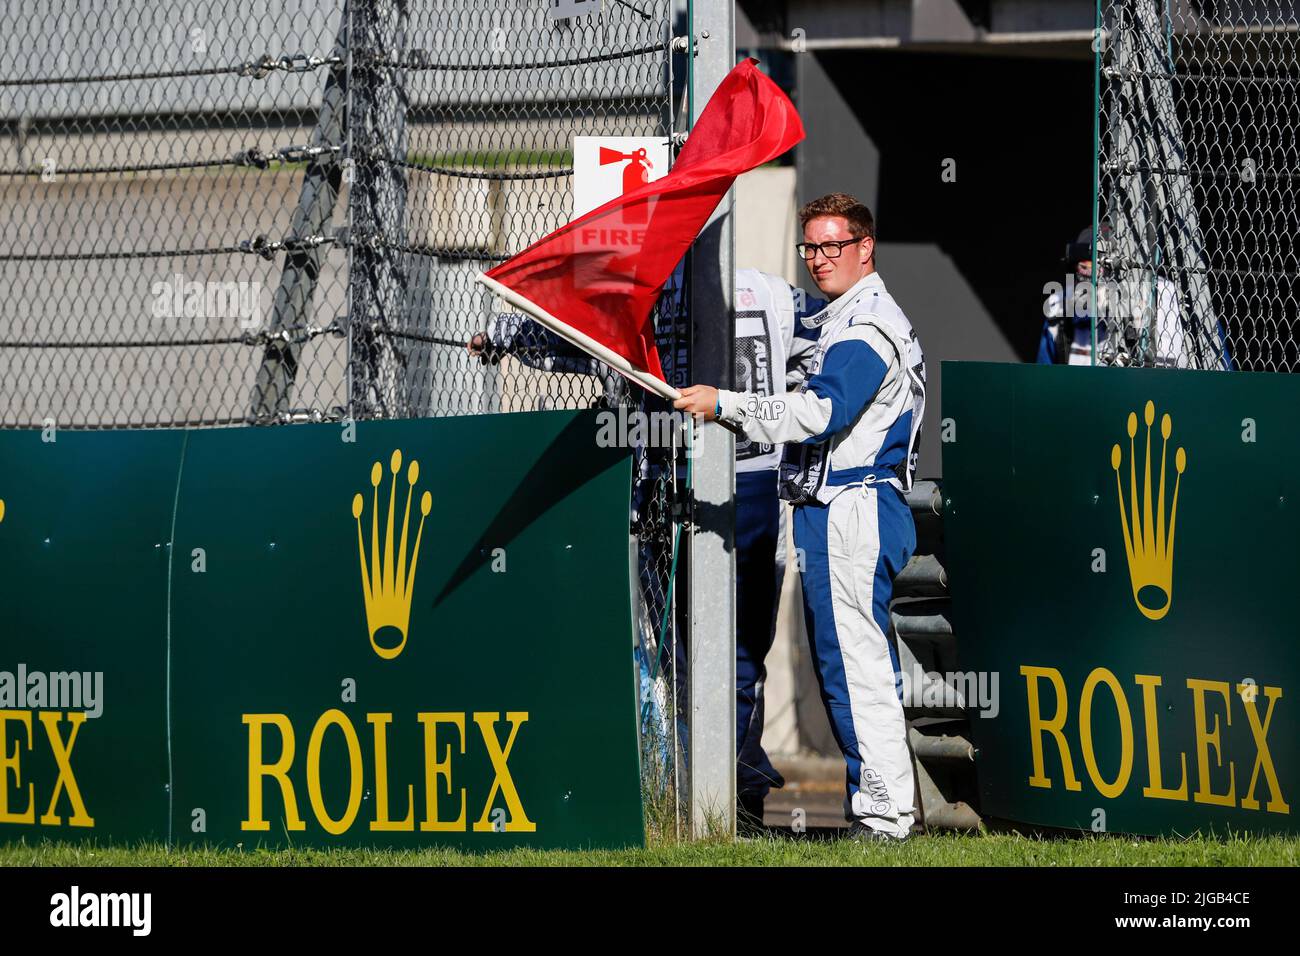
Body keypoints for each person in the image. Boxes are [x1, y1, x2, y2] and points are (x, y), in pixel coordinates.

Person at [467, 266, 825, 829]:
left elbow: (573, 337)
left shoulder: (662, 294)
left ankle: (725, 793)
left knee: (698, 654)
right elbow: (824, 350)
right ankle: (723, 794)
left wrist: (505, 337)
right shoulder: (770, 291)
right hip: (708, 483)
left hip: (696, 484)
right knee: (725, 655)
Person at [674, 192, 926, 842]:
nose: (819, 259)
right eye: (810, 247)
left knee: (858, 668)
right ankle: (877, 809)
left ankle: (887, 817)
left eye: (833, 246)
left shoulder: (868, 324)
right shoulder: (839, 315)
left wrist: (724, 403)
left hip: (856, 505)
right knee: (842, 666)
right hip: (825, 508)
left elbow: (820, 412)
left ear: (864, 249)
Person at [1039, 225, 1232, 369]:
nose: (1090, 275)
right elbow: (1045, 377)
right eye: (1084, 266)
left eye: (1098, 265)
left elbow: (1219, 369)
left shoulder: (1169, 298)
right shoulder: (1061, 309)